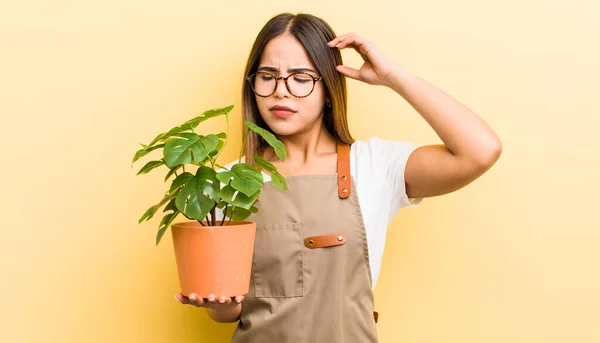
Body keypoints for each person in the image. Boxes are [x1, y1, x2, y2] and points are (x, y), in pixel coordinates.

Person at [174, 12, 501, 342]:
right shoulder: (226, 182)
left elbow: (481, 150)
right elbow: (228, 311)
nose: (280, 91)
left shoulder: (374, 166)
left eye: (301, 78)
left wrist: (393, 76)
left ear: (329, 88)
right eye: (267, 76)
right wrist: (220, 305)